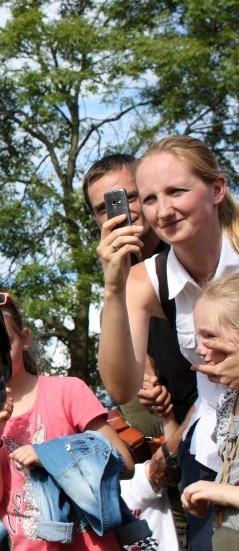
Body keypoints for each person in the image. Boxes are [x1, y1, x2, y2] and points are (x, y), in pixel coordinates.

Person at [97, 134, 239, 551]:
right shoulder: (149, 279)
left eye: (177, 191)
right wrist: (113, 288)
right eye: (151, 198)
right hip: (212, 459)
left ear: (216, 189)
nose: (164, 210)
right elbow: (121, 388)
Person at [0, 291, 136, 550]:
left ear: (24, 338)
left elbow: (125, 464)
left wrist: (53, 456)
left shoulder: (68, 391)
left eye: (4, 343)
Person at [83, 153, 195, 543]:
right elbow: (119, 386)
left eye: (130, 196)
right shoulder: (123, 276)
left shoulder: (187, 251)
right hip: (171, 458)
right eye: (105, 206)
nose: (123, 211)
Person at [181, 272, 239, 549]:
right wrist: (209, 497)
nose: (201, 349)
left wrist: (225, 494)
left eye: (210, 336)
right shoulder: (228, 403)